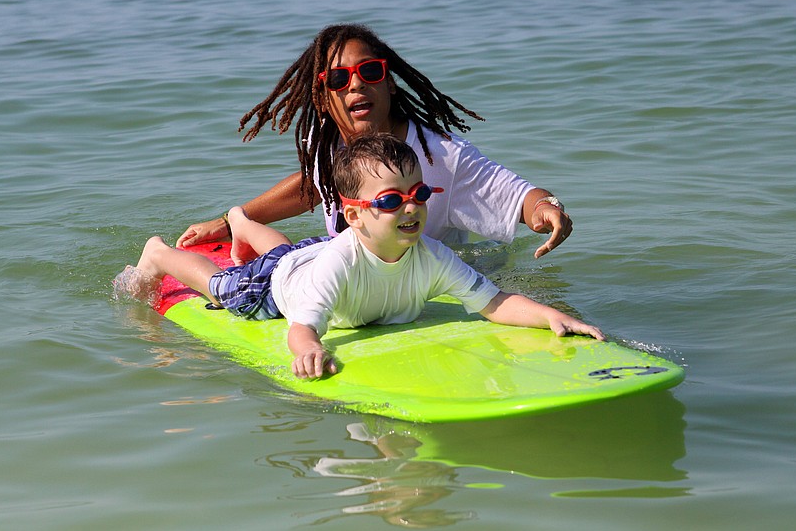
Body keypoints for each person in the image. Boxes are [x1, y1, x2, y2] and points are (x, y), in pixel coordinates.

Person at [116, 134, 603, 379]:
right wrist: (308, 350)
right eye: (391, 201)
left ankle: (242, 223)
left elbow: (494, 302)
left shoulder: (429, 254)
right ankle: (159, 254)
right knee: (230, 287)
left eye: (416, 194)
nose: (410, 207)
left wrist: (548, 316)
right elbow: (301, 328)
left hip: (307, 259)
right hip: (285, 285)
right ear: (353, 215)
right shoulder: (340, 264)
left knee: (286, 252)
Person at [176, 23, 572, 259]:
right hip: (360, 279)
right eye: (338, 78)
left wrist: (547, 208)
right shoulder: (327, 139)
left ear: (390, 85)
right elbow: (312, 187)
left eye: (370, 70)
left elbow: (517, 196)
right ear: (323, 99)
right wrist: (230, 222)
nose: (356, 83)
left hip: (441, 281)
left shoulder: (441, 157)